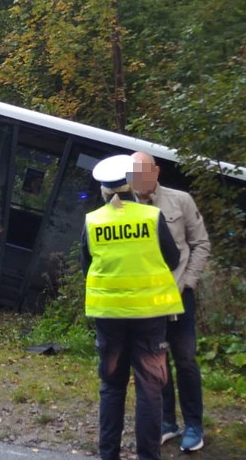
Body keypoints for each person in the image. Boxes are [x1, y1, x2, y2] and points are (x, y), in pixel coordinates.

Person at [82, 154, 183, 460]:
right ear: (131, 185)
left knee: (112, 387)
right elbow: (174, 259)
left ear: (104, 190)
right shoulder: (151, 217)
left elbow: (85, 265)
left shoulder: (93, 221)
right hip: (150, 316)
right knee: (149, 388)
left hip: (109, 316)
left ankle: (108, 455)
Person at [131, 151, 211, 452]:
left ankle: (193, 425)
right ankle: (166, 422)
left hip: (179, 299)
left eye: (143, 170)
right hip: (146, 303)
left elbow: (201, 244)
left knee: (185, 360)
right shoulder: (123, 207)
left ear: (156, 171)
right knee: (155, 363)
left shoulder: (181, 201)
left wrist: (188, 283)